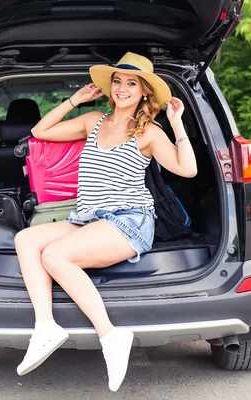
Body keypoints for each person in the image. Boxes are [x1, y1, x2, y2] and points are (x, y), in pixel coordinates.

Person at [13, 52, 198, 392]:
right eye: (117, 81)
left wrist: (177, 122)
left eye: (131, 83)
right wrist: (76, 99)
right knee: (26, 239)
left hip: (130, 221)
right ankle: (45, 328)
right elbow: (40, 130)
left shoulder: (149, 133)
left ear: (144, 92)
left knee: (54, 255)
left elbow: (187, 169)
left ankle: (111, 336)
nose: (122, 88)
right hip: (88, 219)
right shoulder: (93, 119)